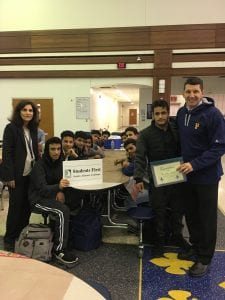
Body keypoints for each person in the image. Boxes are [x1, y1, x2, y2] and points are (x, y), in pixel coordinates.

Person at [176, 77, 225, 277]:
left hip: (207, 177)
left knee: (206, 218)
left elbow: (219, 147)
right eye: (188, 92)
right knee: (192, 216)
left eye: (196, 91)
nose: (192, 95)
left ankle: (205, 258)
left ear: (202, 92)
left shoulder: (213, 115)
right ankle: (196, 248)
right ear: (183, 93)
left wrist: (195, 164)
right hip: (187, 177)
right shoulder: (181, 113)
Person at [134, 99, 188, 257]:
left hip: (178, 177)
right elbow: (139, 157)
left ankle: (178, 236)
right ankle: (159, 240)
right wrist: (138, 178)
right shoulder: (145, 135)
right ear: (153, 115)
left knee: (178, 209)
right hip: (158, 180)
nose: (160, 117)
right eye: (157, 114)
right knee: (159, 210)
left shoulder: (176, 130)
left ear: (168, 112)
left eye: (163, 113)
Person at [29, 137, 79, 265]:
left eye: (58, 149)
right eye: (52, 149)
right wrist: (58, 187)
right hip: (38, 199)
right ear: (47, 150)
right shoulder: (39, 165)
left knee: (73, 200)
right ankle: (59, 250)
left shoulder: (61, 162)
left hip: (51, 195)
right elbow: (42, 189)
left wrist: (60, 191)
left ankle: (64, 238)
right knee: (62, 211)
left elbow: (64, 179)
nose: (56, 152)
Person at [1, 100, 39, 251]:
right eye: (25, 110)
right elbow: (7, 153)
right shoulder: (11, 128)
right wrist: (9, 176)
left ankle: (21, 233)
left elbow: (34, 151)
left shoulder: (33, 129)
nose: (28, 113)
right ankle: (10, 237)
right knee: (16, 207)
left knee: (27, 207)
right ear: (19, 112)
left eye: (31, 110)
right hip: (16, 176)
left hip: (30, 174)